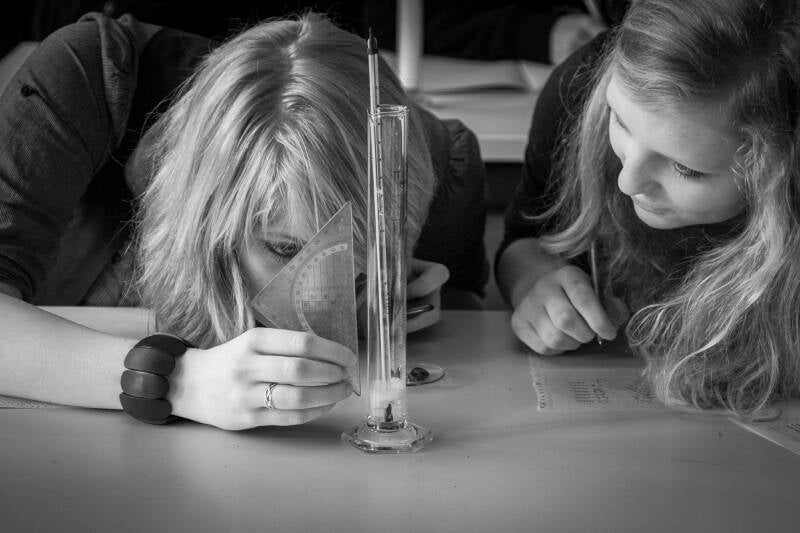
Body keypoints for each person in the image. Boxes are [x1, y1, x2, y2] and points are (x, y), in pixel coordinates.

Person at [0, 11, 488, 429]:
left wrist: (375, 304)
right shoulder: (87, 76)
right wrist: (181, 381)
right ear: (208, 216)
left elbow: (475, 335)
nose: (329, 284)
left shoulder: (433, 163)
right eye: (285, 248)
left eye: (358, 259)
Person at [496, 0, 800, 417]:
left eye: (685, 169)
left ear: (780, 172)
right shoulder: (577, 87)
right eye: (621, 121)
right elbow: (525, 236)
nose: (628, 182)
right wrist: (533, 281)